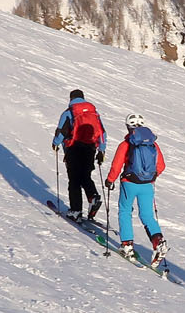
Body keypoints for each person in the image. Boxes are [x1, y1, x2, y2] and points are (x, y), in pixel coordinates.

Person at [103, 113, 168, 266]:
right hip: (147, 185)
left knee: (125, 211)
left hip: (129, 183)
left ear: (128, 126)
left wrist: (110, 180)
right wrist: (152, 176)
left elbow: (117, 165)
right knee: (147, 215)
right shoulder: (152, 144)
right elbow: (161, 165)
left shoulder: (126, 144)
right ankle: (158, 242)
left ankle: (127, 245)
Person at [50, 89, 105, 220]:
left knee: (74, 180)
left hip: (73, 148)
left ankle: (76, 211)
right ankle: (93, 196)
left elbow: (61, 131)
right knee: (85, 176)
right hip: (90, 148)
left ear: (71, 99)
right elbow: (102, 133)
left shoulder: (69, 112)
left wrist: (55, 143)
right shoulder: (94, 113)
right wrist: (101, 150)